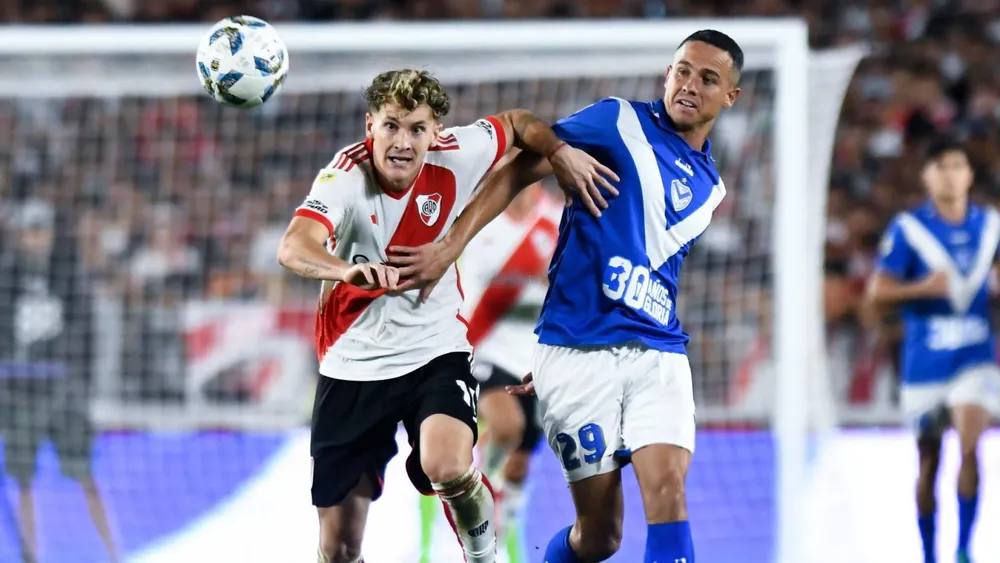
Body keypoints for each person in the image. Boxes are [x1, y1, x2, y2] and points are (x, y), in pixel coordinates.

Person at [390, 29, 743, 563]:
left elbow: (651, 268)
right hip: (578, 354)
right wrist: (448, 246)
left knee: (669, 491)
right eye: (682, 71)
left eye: (708, 78)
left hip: (658, 352)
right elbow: (519, 169)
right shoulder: (617, 121)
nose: (689, 85)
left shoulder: (711, 187)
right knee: (600, 537)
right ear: (667, 75)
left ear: (730, 97)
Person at [275, 68, 613, 563]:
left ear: (436, 133)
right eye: (391, 125)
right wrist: (347, 271)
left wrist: (559, 153)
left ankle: (485, 557)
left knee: (449, 464)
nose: (403, 142)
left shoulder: (457, 153)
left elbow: (519, 124)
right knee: (340, 548)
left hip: (436, 352)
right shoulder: (345, 175)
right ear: (370, 125)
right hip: (352, 366)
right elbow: (293, 247)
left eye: (417, 129)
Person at [867, 137, 1000, 563]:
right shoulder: (908, 229)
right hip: (925, 364)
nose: (949, 173)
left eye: (957, 165)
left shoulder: (992, 225)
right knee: (929, 462)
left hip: (974, 357)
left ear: (969, 175)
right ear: (926, 176)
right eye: (940, 166)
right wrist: (920, 288)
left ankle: (963, 547)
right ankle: (929, 553)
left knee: (969, 441)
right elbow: (877, 290)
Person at [0, 199, 119, 563]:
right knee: (22, 479)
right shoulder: (7, 276)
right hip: (19, 392)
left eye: (42, 232)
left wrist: (80, 377)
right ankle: (30, 556)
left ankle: (114, 554)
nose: (37, 239)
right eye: (30, 232)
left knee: (85, 474)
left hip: (63, 391)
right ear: (20, 236)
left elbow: (85, 329)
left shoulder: (68, 273)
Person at [460, 180, 560, 547]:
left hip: (536, 358)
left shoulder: (559, 218)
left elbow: (578, 280)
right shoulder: (481, 217)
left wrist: (553, 279)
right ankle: (474, 495)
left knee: (520, 459)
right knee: (507, 426)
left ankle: (509, 526)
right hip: (484, 347)